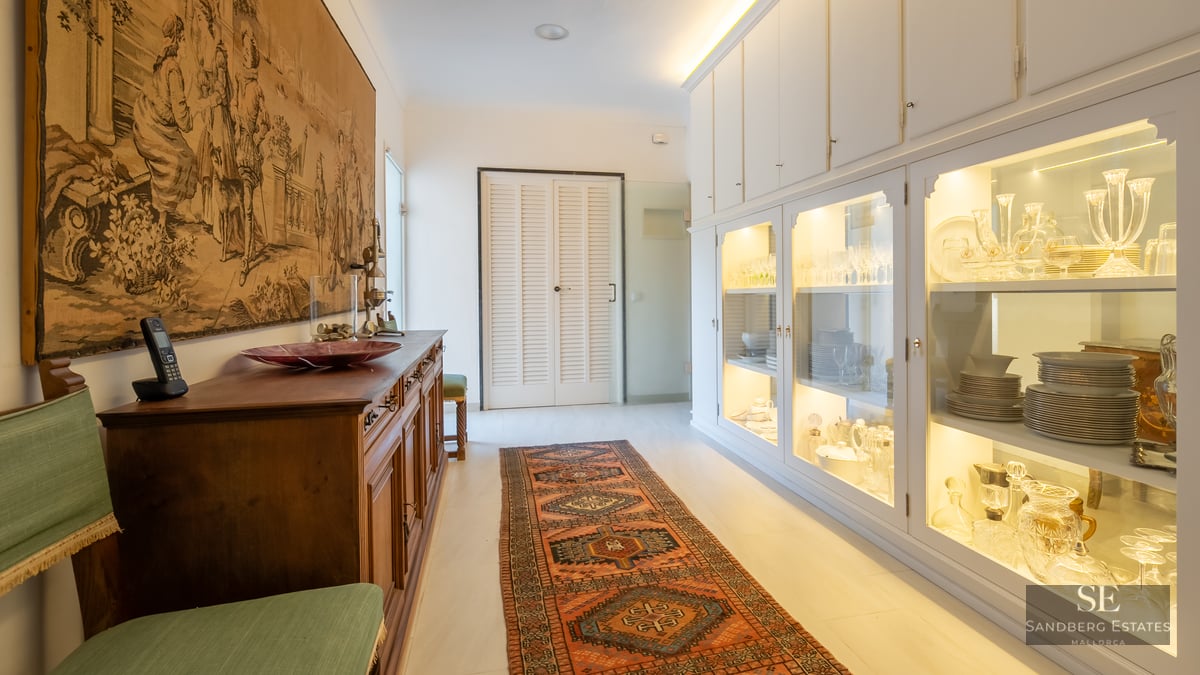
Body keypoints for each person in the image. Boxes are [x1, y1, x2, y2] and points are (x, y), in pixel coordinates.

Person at [133, 14, 198, 228]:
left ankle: (172, 212)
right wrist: (195, 110)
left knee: (182, 154)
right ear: (179, 40)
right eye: (184, 39)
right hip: (154, 127)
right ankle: (165, 217)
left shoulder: (163, 62)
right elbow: (183, 119)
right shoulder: (173, 69)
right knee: (184, 157)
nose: (187, 43)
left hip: (146, 120)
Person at [234, 25, 271, 285]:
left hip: (248, 151)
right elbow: (235, 105)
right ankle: (239, 244)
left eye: (249, 51)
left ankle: (247, 257)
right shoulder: (240, 81)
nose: (246, 55)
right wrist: (236, 116)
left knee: (247, 206)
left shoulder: (257, 88)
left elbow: (265, 124)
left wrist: (255, 138)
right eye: (244, 49)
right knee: (233, 200)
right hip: (235, 144)